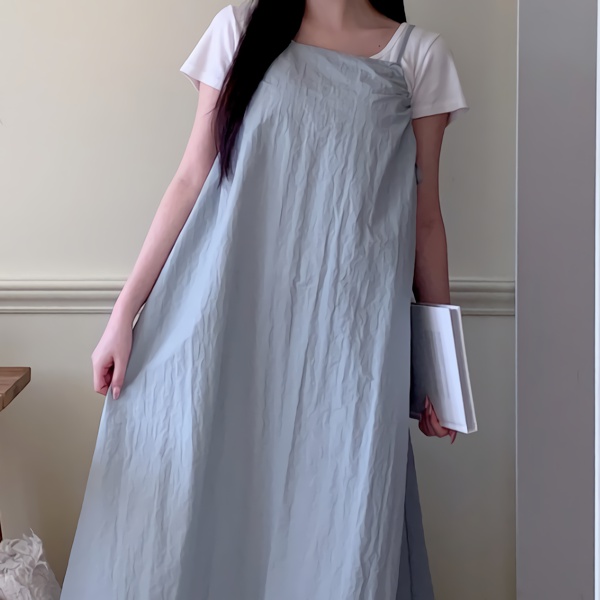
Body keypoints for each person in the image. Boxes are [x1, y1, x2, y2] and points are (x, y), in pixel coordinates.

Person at [61, 0, 468, 598]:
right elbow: (190, 176)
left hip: (347, 352)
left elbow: (425, 221)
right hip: (224, 323)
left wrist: (440, 372)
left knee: (337, 529)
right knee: (202, 516)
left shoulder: (418, 58)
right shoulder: (239, 30)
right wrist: (124, 315)